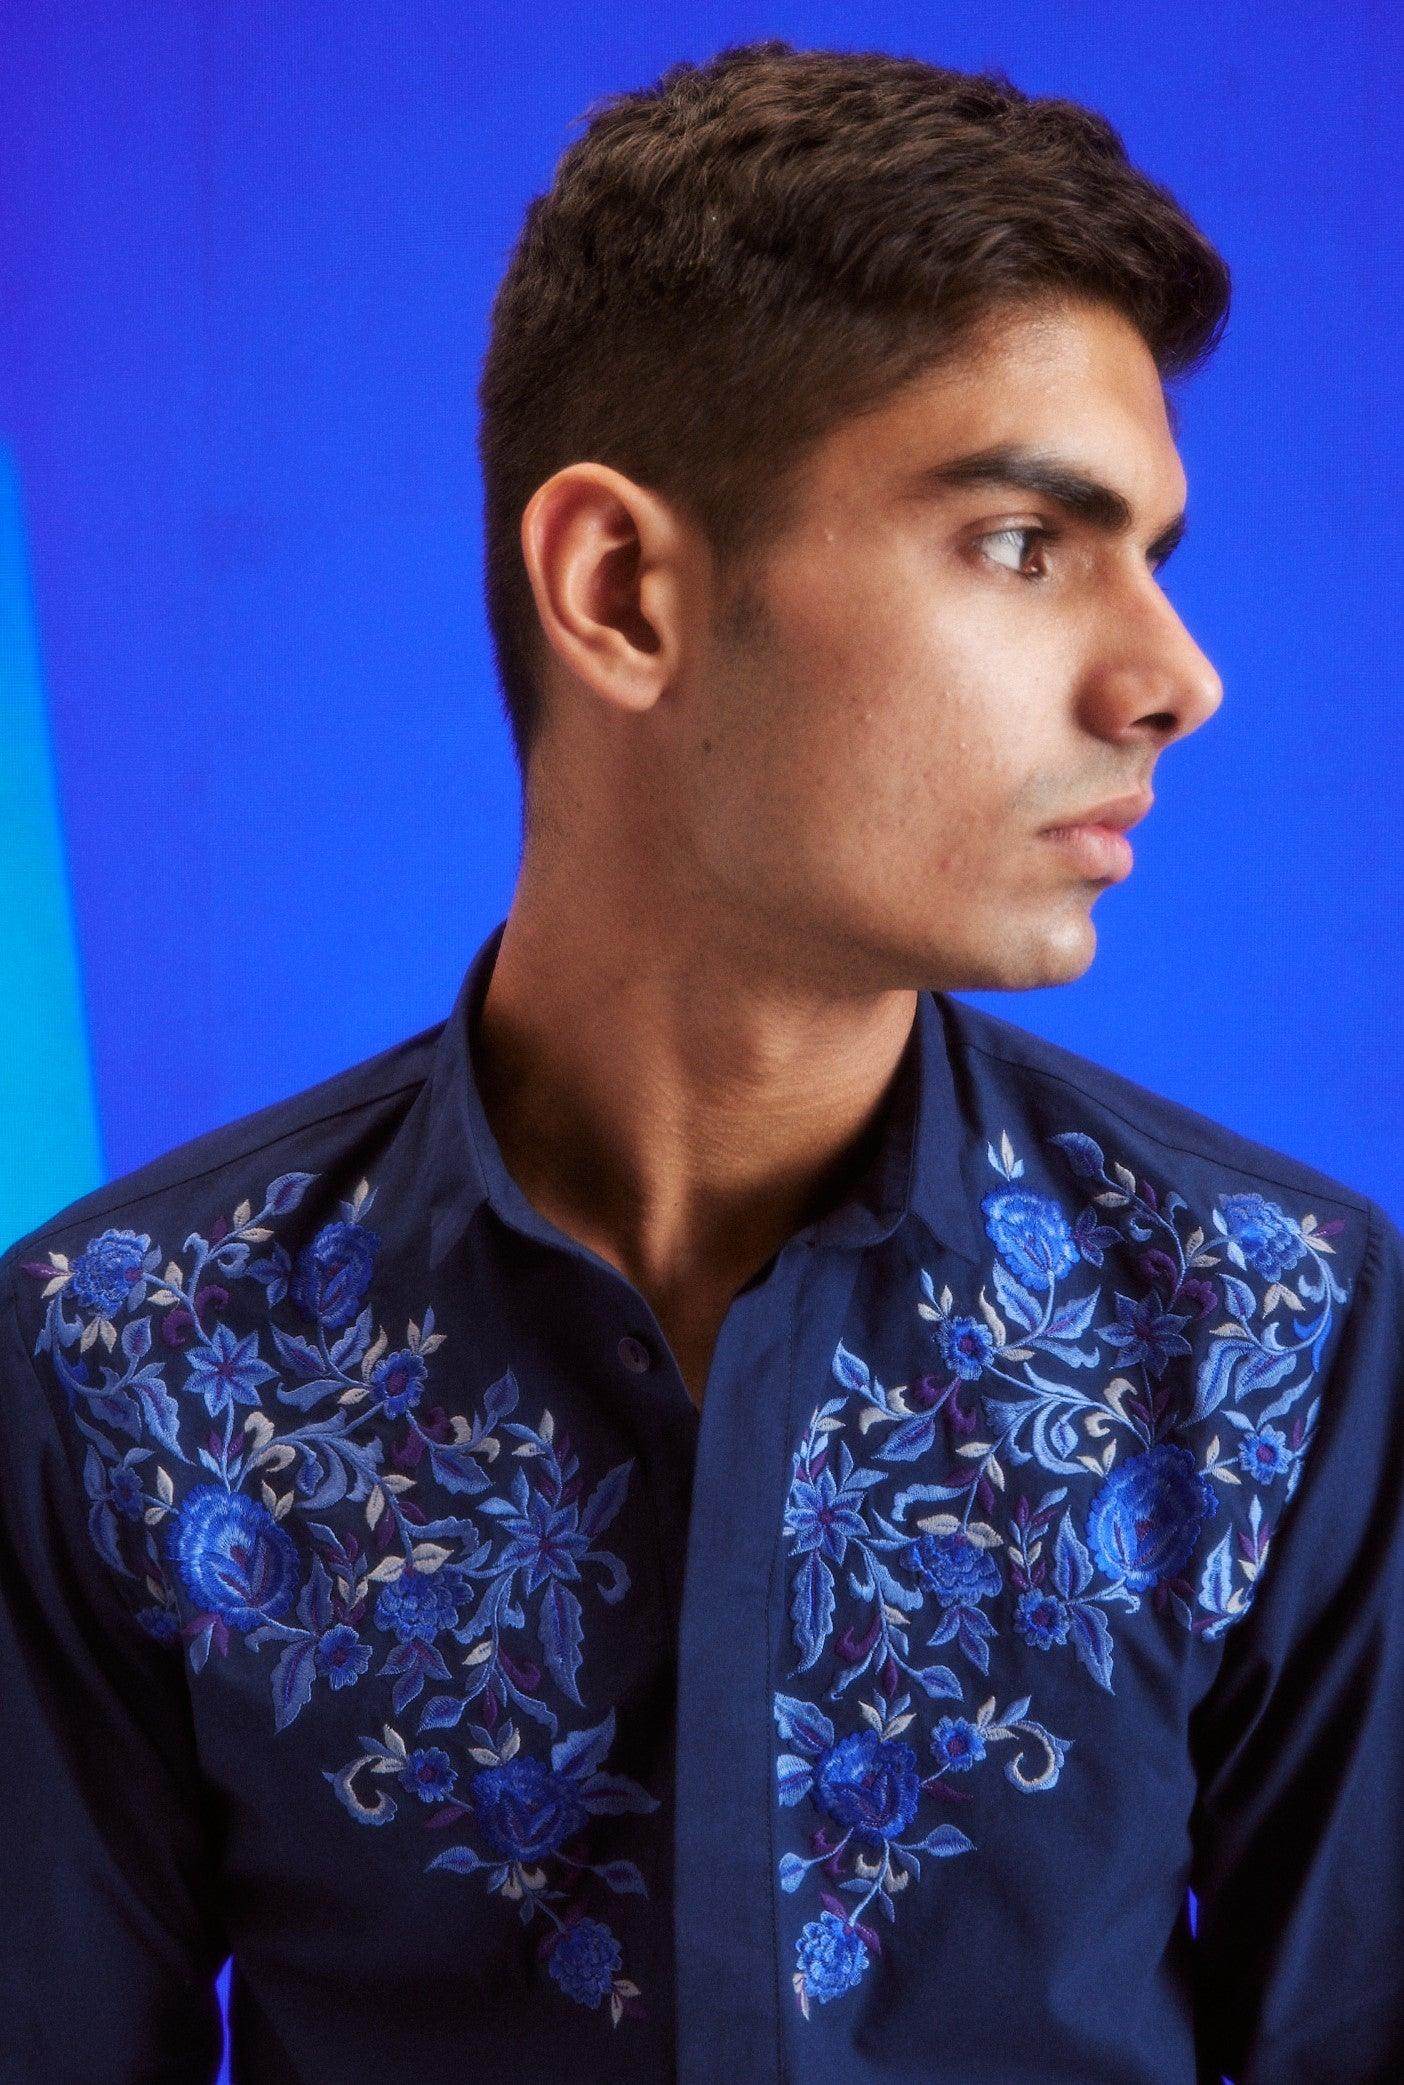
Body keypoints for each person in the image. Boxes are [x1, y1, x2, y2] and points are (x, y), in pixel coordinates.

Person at [1, 35, 1399, 2085]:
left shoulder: (1270, 1331)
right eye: (1027, 540)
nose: (1173, 676)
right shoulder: (131, 1354)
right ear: (625, 588)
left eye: (1154, 555)